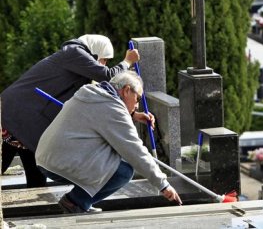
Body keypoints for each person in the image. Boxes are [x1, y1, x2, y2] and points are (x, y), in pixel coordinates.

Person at [1, 34, 145, 188]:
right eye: (104, 59)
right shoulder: (73, 52)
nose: (103, 64)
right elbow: (107, 76)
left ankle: (38, 211)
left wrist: (131, 113)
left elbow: (97, 100)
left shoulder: (78, 64)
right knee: (20, 169)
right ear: (95, 51)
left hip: (28, 123)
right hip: (14, 116)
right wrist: (127, 61)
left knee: (37, 181)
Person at [35, 71, 182, 213]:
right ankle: (76, 201)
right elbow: (135, 151)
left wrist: (131, 114)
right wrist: (163, 184)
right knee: (123, 171)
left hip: (47, 158)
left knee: (113, 157)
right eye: (137, 99)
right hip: (60, 162)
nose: (137, 105)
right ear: (126, 90)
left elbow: (101, 115)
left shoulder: (91, 92)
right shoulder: (113, 109)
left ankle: (83, 200)